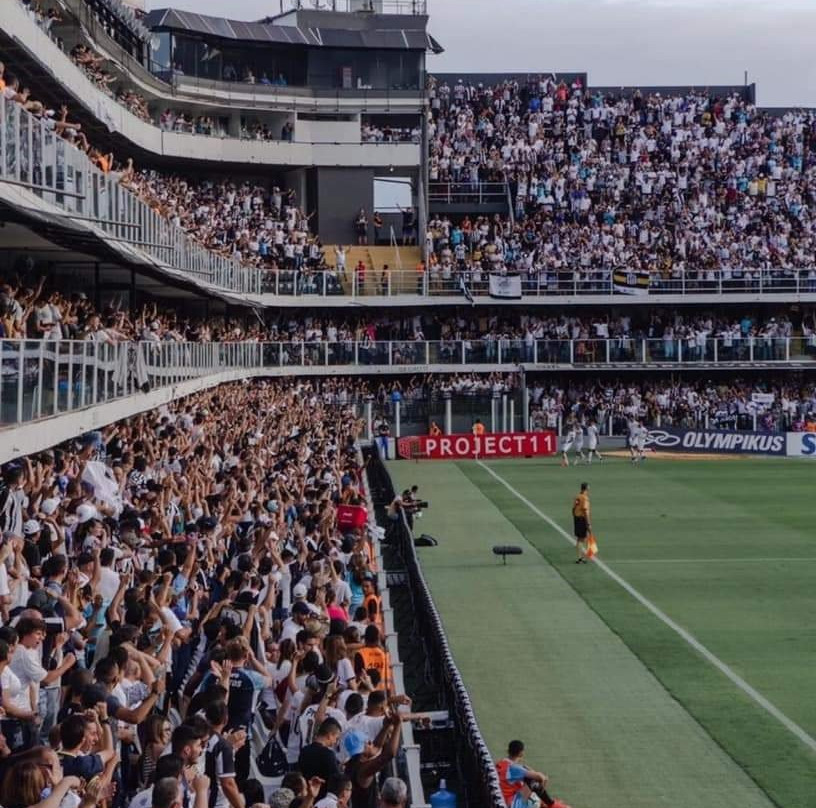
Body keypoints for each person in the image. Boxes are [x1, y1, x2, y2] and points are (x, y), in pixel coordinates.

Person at [572, 483, 591, 564]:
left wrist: (575, 516)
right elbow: (585, 510)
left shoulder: (578, 496)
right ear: (586, 488)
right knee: (581, 538)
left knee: (579, 538)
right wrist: (588, 523)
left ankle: (580, 556)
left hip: (576, 518)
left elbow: (573, 508)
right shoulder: (585, 498)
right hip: (582, 519)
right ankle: (580, 558)